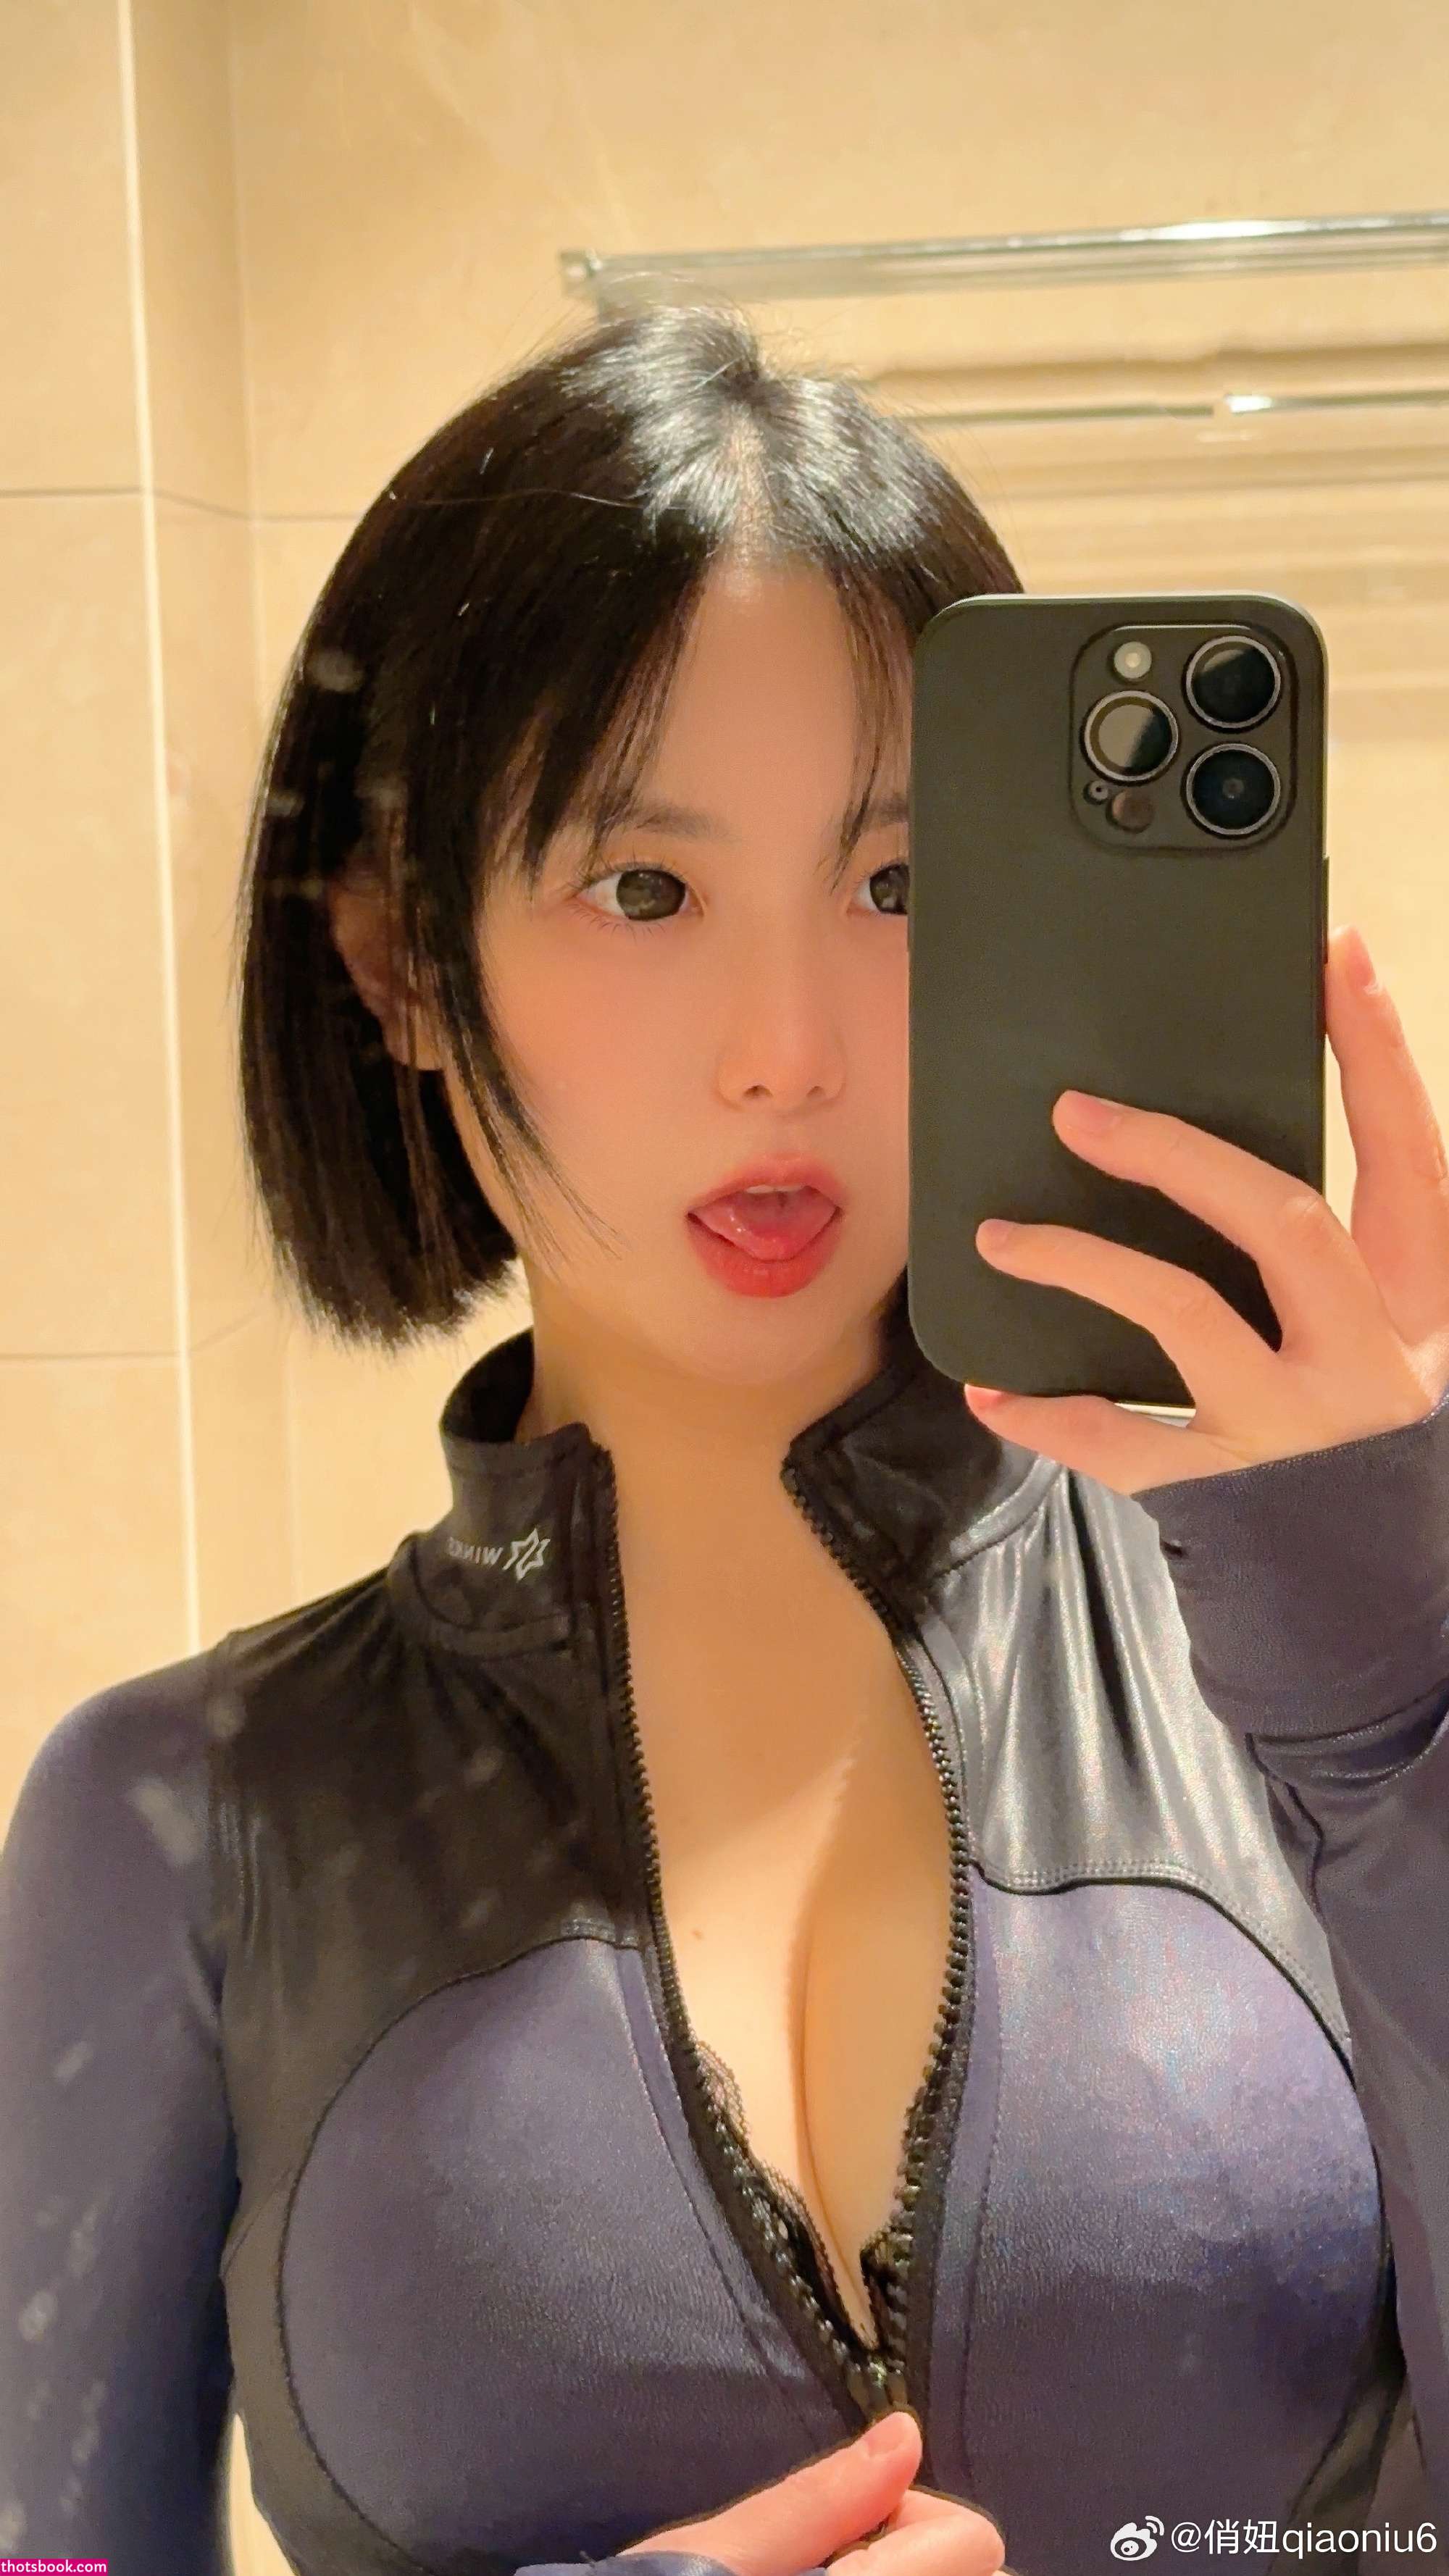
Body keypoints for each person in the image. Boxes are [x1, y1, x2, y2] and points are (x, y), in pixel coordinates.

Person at [2, 304, 1448, 2576]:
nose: (788, 1050)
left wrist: (1396, 1694)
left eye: (899, 886)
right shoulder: (172, 1821)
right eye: (645, 887)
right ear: (398, 961)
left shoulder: (1335, 1671)